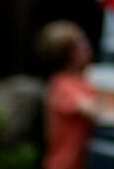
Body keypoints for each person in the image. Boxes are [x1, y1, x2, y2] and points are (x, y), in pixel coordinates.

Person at [35, 20, 98, 169]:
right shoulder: (62, 85)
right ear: (70, 54)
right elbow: (92, 109)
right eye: (81, 43)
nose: (87, 45)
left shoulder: (82, 80)